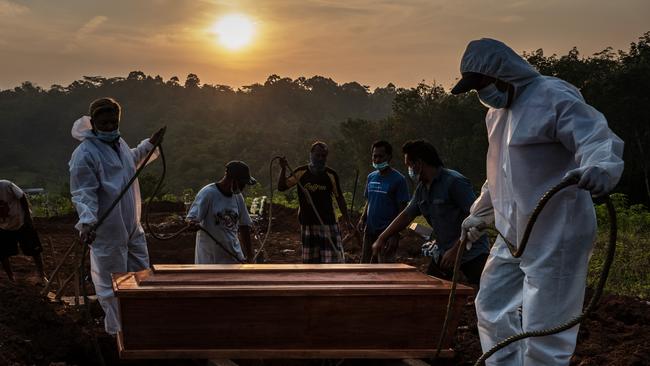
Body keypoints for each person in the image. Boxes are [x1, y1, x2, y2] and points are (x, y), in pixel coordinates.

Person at [450, 38, 624, 365]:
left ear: (503, 76)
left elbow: (596, 138)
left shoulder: (553, 95)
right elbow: (499, 174)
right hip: (512, 232)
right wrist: (479, 214)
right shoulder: (496, 116)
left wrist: (601, 168)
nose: (481, 94)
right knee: (490, 304)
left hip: (556, 232)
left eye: (482, 85)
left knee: (545, 328)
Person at [69, 97, 164, 335]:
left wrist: (150, 144)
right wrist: (87, 222)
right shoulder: (85, 153)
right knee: (113, 283)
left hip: (132, 226)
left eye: (113, 121)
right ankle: (119, 332)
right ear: (93, 122)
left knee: (141, 275)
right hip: (107, 230)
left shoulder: (118, 143)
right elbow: (83, 192)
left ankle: (141, 325)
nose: (110, 127)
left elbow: (130, 162)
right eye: (105, 122)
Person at [371, 140, 489, 285]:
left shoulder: (454, 182)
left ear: (418, 164)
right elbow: (407, 214)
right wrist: (382, 237)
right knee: (432, 291)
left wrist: (456, 250)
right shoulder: (422, 189)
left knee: (484, 296)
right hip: (443, 251)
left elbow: (477, 219)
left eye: (409, 165)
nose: (409, 170)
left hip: (471, 252)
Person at [278, 141, 352, 263]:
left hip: (328, 223)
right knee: (310, 263)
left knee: (332, 262)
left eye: (323, 156)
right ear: (311, 154)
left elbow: (339, 198)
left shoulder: (331, 174)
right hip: (308, 223)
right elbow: (282, 187)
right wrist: (283, 169)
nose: (320, 159)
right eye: (317, 155)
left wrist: (347, 220)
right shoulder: (301, 172)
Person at [186, 161, 256, 264]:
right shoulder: (208, 194)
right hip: (210, 261)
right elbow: (191, 218)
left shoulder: (237, 197)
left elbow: (244, 225)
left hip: (234, 259)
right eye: (242, 184)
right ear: (233, 180)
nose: (242, 188)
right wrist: (191, 223)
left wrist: (250, 256)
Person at [357, 140, 410, 263]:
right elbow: (369, 200)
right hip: (370, 231)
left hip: (387, 233)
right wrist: (362, 218)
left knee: (385, 270)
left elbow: (403, 210)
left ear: (389, 157)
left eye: (381, 156)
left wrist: (395, 234)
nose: (377, 159)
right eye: (374, 156)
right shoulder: (371, 177)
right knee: (365, 266)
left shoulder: (399, 180)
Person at [0, 180, 47, 283]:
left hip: (21, 221)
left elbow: (22, 197)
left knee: (35, 250)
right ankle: (11, 278)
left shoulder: (6, 185)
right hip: (4, 226)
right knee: (2, 253)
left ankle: (41, 275)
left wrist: (28, 218)